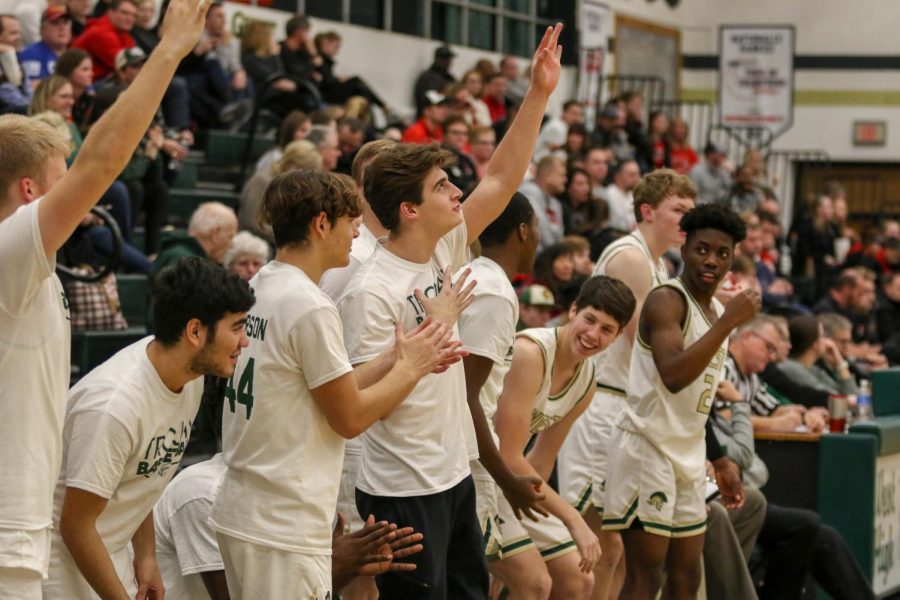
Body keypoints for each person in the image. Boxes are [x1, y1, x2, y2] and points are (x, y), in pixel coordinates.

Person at [336, 25, 563, 600]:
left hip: (453, 474)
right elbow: (359, 411)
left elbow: (502, 177)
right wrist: (432, 331)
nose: (457, 193)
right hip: (401, 489)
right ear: (410, 209)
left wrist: (537, 94)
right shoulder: (369, 290)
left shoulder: (443, 246)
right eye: (443, 186)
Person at [0, 0, 207, 595]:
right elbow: (102, 162)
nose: (80, 192)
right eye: (63, 178)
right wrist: (168, 52)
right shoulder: (11, 250)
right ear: (31, 189)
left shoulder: (30, 268)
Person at [208, 169, 456, 599]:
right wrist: (413, 368)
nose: (358, 231)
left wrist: (400, 355)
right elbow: (350, 416)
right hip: (281, 519)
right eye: (350, 222)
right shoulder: (309, 306)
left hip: (249, 506)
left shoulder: (263, 284)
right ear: (321, 224)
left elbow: (327, 386)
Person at [42, 257, 255, 599]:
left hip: (109, 552)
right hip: (59, 568)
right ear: (196, 332)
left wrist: (146, 556)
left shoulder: (190, 377)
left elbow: (142, 474)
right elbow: (76, 528)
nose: (244, 341)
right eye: (236, 327)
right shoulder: (114, 408)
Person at [602, 203, 760, 599]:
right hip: (646, 450)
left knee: (688, 575)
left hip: (686, 455)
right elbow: (673, 376)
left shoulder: (718, 310)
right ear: (685, 248)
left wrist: (720, 459)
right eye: (703, 249)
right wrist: (728, 324)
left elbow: (697, 401)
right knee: (645, 576)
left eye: (723, 254)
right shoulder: (666, 301)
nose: (711, 260)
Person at [557, 169, 696, 600]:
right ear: (647, 211)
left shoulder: (658, 263)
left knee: (614, 544)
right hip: (601, 404)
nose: (687, 221)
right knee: (591, 542)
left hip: (623, 407)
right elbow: (644, 346)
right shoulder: (631, 258)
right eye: (679, 210)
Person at [492, 276, 635, 599]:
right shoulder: (532, 353)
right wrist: (573, 519)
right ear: (573, 311)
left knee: (579, 580)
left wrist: (519, 527)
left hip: (509, 483)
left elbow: (540, 461)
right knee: (536, 582)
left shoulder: (587, 381)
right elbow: (507, 455)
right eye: (590, 320)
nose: (592, 335)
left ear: (617, 336)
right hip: (476, 475)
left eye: (606, 329)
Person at [155, 451, 428, 600]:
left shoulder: (305, 491)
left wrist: (352, 571)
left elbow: (311, 591)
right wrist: (334, 565)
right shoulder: (202, 495)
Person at [710, 366, 876, 600]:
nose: (775, 353)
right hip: (724, 498)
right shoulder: (713, 398)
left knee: (821, 536)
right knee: (805, 525)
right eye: (768, 346)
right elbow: (744, 453)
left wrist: (793, 414)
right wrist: (739, 403)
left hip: (743, 491)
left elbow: (778, 409)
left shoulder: (748, 380)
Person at [457, 193, 552, 598]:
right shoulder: (494, 292)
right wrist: (506, 479)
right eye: (538, 231)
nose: (539, 242)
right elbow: (464, 395)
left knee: (529, 580)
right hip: (468, 461)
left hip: (468, 455)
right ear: (523, 230)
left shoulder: (480, 276)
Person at [718, 314, 828, 434]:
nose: (772, 357)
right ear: (747, 337)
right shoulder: (723, 368)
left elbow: (772, 409)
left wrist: (805, 416)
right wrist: (774, 424)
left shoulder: (751, 377)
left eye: (775, 351)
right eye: (769, 347)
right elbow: (721, 418)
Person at [775, 314, 860, 396]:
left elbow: (852, 397)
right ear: (815, 344)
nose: (827, 341)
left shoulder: (813, 369)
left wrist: (839, 363)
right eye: (823, 336)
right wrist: (840, 363)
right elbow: (836, 399)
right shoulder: (791, 368)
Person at [152, 201, 237, 275]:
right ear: (216, 233)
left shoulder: (185, 256)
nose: (232, 244)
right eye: (230, 236)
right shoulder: (184, 261)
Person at [72, 0, 137, 80]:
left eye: (134, 16)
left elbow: (135, 59)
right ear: (110, 12)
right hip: (88, 84)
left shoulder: (122, 32)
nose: (130, 19)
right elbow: (127, 68)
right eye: (124, 13)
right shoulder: (101, 32)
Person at [519, 155, 567, 251]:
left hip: (551, 256)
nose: (565, 180)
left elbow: (559, 236)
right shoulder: (528, 192)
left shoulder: (555, 203)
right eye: (562, 175)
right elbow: (541, 232)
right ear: (547, 175)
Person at [19, 6, 71, 89]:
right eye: (55, 23)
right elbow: (31, 88)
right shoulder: (31, 54)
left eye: (65, 23)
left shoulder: (74, 55)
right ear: (42, 29)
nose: (62, 28)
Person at [413, 43, 455, 116]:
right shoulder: (427, 77)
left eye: (448, 59)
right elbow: (429, 99)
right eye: (444, 58)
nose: (447, 61)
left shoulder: (450, 78)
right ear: (437, 58)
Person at [605, 159, 640, 232]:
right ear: (618, 176)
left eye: (638, 174)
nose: (637, 178)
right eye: (632, 175)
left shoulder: (635, 195)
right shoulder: (608, 195)